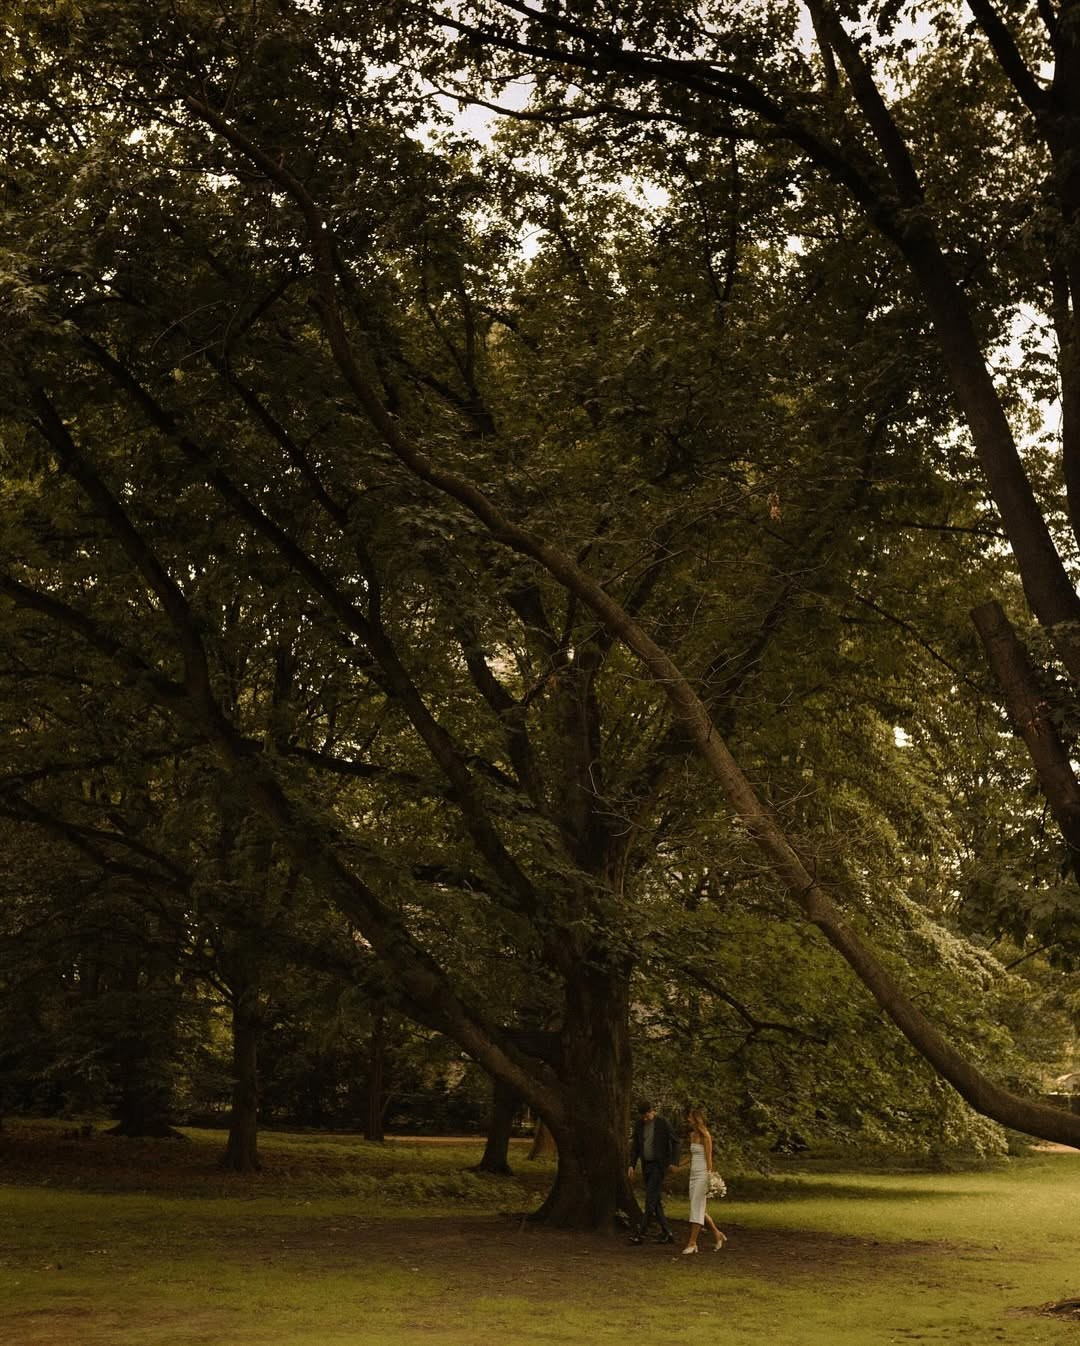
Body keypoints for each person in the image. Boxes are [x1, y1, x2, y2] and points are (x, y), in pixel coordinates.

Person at [627, 1099, 679, 1244]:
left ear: (652, 1111)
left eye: (647, 1115)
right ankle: (668, 1233)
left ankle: (640, 1234)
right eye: (643, 1116)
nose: (645, 1119)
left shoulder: (662, 1123)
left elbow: (675, 1142)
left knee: (650, 1199)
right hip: (646, 1165)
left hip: (659, 1165)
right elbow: (636, 1146)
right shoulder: (639, 1125)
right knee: (655, 1200)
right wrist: (631, 1164)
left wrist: (674, 1162)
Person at [679, 1106, 727, 1254]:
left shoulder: (705, 1135)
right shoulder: (692, 1135)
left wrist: (710, 1177)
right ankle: (717, 1233)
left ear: (696, 1119)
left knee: (696, 1207)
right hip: (693, 1174)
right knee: (699, 1207)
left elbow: (709, 1157)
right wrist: (678, 1165)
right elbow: (692, 1155)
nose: (688, 1119)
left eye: (690, 1117)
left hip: (702, 1174)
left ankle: (692, 1243)